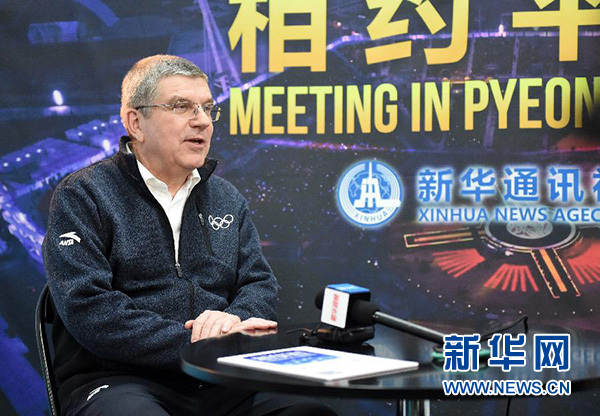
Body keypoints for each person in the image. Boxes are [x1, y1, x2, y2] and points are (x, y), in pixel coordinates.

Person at [42, 55, 337, 416]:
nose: (202, 121)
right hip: (119, 379)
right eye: (182, 106)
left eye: (208, 108)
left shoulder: (226, 197)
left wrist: (233, 323)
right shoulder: (83, 195)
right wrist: (196, 343)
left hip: (220, 378)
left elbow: (259, 283)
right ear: (135, 122)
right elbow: (89, 307)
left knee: (309, 412)